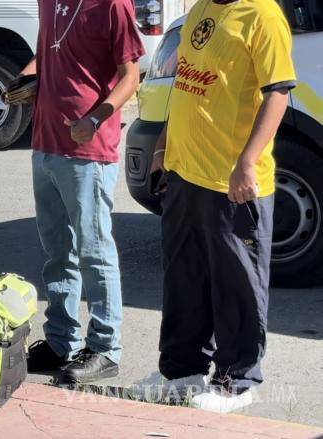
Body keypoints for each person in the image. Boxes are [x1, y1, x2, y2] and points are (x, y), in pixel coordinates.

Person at [150, 0, 296, 413]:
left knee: (237, 285)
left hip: (230, 181)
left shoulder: (262, 15)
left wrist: (246, 162)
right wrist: (164, 142)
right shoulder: (201, 10)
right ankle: (182, 373)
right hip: (185, 172)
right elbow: (185, 84)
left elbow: (278, 93)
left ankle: (238, 382)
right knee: (184, 279)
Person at [22, 0, 144, 382]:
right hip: (46, 140)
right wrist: (25, 78)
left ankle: (105, 348)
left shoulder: (112, 5)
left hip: (88, 148)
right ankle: (62, 341)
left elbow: (131, 75)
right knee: (58, 249)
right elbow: (46, 50)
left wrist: (95, 118)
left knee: (93, 251)